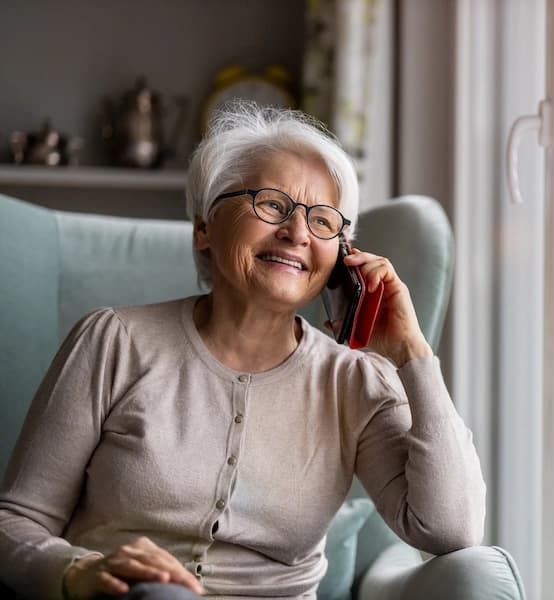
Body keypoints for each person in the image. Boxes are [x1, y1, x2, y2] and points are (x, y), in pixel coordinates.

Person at [0, 104, 486, 600]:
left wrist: (412, 354)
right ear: (203, 228)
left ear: (342, 257)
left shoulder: (356, 381)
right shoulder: (114, 342)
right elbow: (15, 520)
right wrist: (77, 571)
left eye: (323, 221)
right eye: (272, 205)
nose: (297, 233)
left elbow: (449, 529)